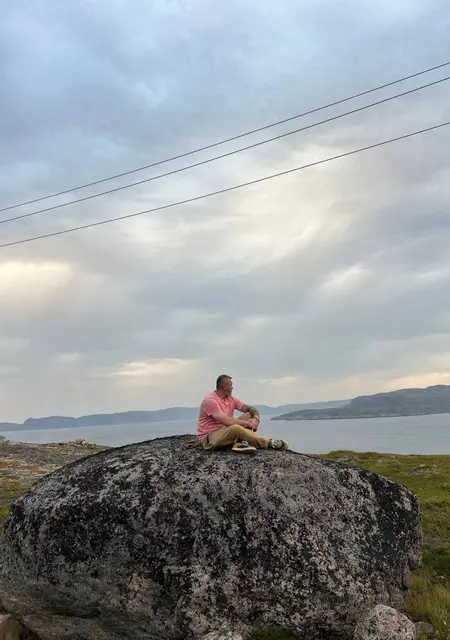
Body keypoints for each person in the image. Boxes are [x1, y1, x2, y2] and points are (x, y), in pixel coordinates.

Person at [197, 374, 288, 453]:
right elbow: (227, 421)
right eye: (231, 385)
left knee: (249, 415)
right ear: (225, 387)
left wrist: (255, 419)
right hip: (211, 436)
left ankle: (240, 443)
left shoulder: (230, 399)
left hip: (225, 430)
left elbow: (250, 409)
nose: (232, 387)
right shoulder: (211, 401)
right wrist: (248, 423)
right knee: (236, 428)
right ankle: (268, 443)